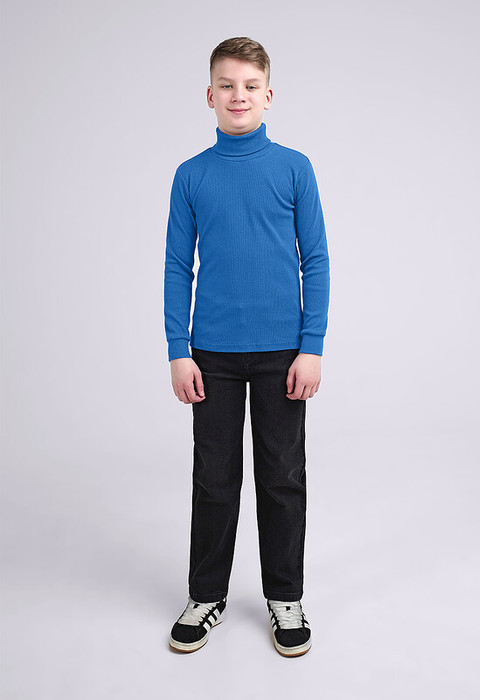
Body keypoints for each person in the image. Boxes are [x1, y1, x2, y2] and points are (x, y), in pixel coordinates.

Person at [163, 36, 330, 657]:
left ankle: (285, 596)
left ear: (269, 95)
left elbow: (315, 259)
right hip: (212, 356)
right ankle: (206, 595)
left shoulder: (294, 168)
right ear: (209, 95)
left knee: (282, 477)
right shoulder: (191, 175)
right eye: (227, 86)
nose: (239, 96)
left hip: (283, 353)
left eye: (250, 86)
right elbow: (177, 266)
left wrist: (311, 345)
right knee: (214, 479)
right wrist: (178, 349)